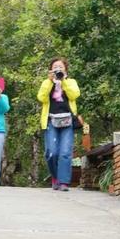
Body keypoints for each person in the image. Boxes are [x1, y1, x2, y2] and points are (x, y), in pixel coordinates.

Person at [37, 57, 80, 192]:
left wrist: (63, 82)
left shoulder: (71, 82)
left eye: (60, 67)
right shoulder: (46, 82)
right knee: (51, 152)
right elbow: (41, 98)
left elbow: (74, 95)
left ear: (66, 69)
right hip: (51, 120)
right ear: (50, 70)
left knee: (65, 152)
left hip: (67, 121)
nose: (58, 69)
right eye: (55, 67)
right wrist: (50, 82)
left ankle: (63, 182)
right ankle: (55, 177)